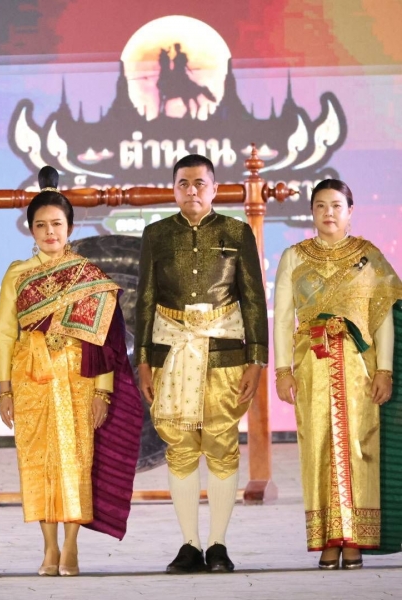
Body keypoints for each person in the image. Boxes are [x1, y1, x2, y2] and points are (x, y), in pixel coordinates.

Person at [0, 166, 143, 577]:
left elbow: (105, 342)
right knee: (38, 462)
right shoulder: (17, 274)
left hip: (79, 379)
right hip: (30, 378)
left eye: (57, 224)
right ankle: (48, 548)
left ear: (70, 227)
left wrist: (103, 392)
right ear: (31, 230)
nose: (50, 232)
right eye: (41, 225)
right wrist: (4, 390)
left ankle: (72, 546)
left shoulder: (89, 277)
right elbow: (4, 334)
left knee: (77, 461)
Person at [135, 154, 268, 573]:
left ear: (214, 189)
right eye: (183, 183)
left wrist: (256, 360)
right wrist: (143, 360)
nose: (191, 191)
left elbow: (253, 299)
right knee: (179, 446)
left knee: (221, 444)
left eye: (199, 183)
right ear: (173, 189)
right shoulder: (156, 234)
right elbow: (144, 301)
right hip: (171, 355)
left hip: (224, 357)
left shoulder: (236, 232)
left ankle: (218, 545)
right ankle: (190, 545)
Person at [274, 179, 402, 569]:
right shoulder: (294, 257)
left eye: (336, 206)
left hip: (360, 367)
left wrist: (385, 370)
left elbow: (382, 320)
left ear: (350, 211)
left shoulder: (369, 257)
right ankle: (328, 538)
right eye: (320, 206)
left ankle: (356, 539)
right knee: (317, 447)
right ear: (311, 212)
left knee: (359, 446)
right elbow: (283, 319)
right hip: (312, 365)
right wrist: (282, 371)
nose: (328, 213)